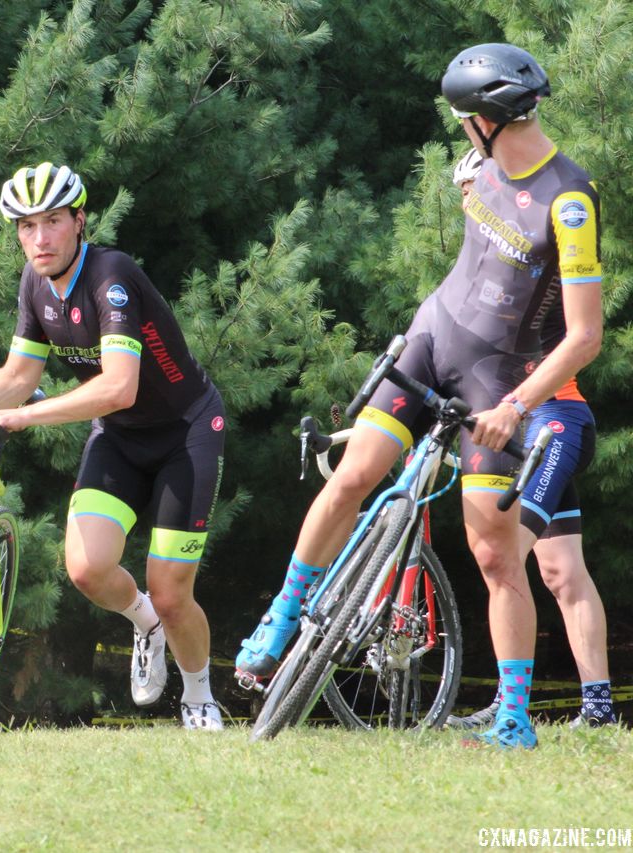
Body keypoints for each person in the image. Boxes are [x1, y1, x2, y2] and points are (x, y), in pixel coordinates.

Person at [235, 43, 603, 749]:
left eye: (464, 117)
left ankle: (514, 716)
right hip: (433, 335)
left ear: (484, 119)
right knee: (354, 474)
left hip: (499, 377)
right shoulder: (481, 168)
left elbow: (584, 336)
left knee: (495, 556)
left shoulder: (570, 199)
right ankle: (286, 610)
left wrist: (518, 405)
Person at [0, 162, 228, 730]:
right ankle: (146, 624)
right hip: (119, 440)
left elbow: (119, 387)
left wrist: (18, 419)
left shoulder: (109, 277)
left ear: (78, 221)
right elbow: (18, 374)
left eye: (52, 222)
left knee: (171, 590)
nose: (39, 239)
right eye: (25, 227)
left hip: (184, 433)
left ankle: (198, 696)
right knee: (88, 570)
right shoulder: (34, 284)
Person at [445, 150, 616, 729]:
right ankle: (596, 708)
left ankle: (509, 702)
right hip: (524, 427)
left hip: (554, 420)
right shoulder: (481, 267)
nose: (472, 204)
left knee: (505, 556)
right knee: (561, 571)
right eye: (465, 195)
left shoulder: (529, 259)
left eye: (476, 190)